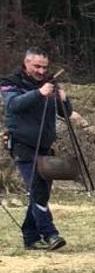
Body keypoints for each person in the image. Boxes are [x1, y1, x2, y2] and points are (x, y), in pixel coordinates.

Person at [1, 48, 70, 251]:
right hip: (22, 145)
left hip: (45, 146)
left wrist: (64, 100)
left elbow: (66, 113)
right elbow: (13, 105)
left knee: (41, 193)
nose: (41, 71)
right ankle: (51, 234)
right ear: (26, 63)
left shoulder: (49, 84)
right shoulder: (11, 82)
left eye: (44, 67)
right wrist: (39, 93)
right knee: (38, 190)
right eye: (37, 66)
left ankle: (30, 236)